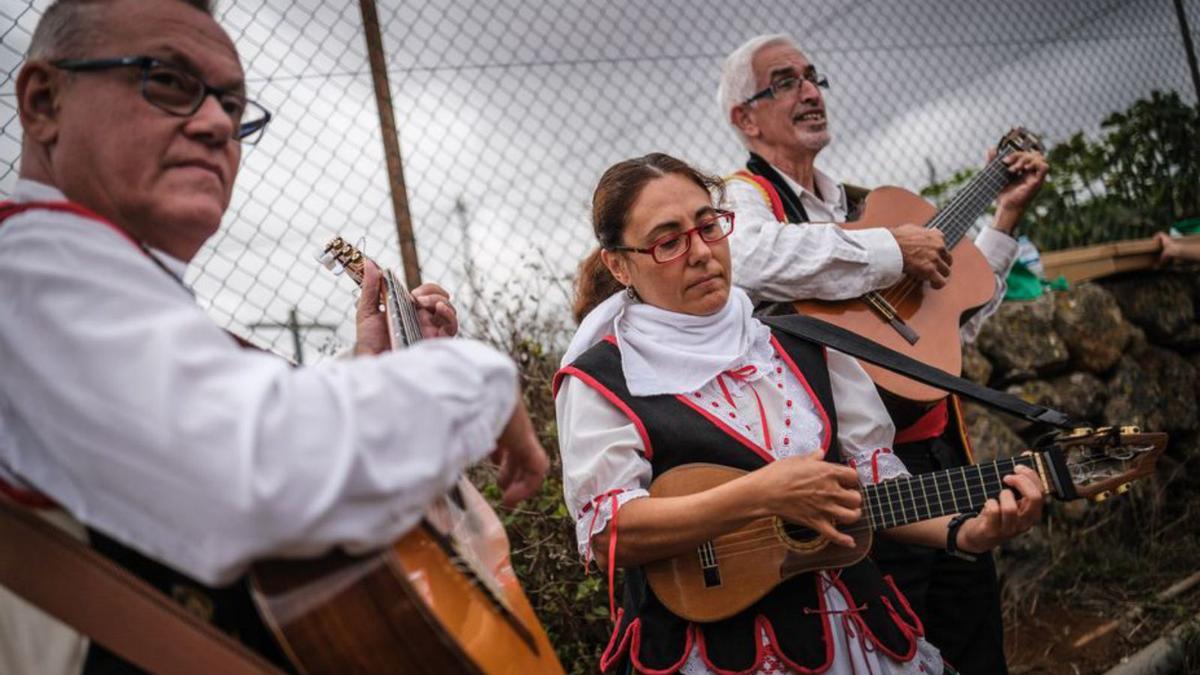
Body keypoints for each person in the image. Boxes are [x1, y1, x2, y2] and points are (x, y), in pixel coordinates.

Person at [0, 1, 548, 672]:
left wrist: (371, 364)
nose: (212, 125)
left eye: (232, 107)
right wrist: (478, 378)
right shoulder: (31, 270)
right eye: (167, 81)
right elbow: (268, 466)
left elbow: (194, 432)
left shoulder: (87, 285)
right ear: (44, 100)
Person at [556, 153, 1044, 674]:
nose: (701, 252)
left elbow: (873, 485)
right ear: (619, 264)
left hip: (855, 636)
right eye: (668, 241)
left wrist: (961, 532)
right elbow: (610, 534)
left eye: (709, 225)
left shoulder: (801, 340)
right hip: (710, 656)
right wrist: (759, 494)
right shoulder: (602, 379)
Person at [714, 34, 1049, 674]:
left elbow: (942, 340)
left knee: (977, 642)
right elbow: (747, 256)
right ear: (744, 118)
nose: (811, 92)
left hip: (940, 454)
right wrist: (892, 252)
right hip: (854, 484)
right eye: (785, 82)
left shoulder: (863, 206)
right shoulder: (744, 199)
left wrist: (1002, 219)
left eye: (813, 77)